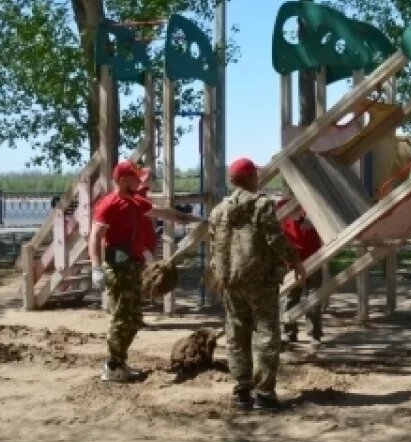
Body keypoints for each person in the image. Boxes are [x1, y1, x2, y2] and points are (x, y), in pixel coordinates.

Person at [208, 158, 307, 411]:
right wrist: (295, 261)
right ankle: (264, 393)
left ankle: (241, 391)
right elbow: (275, 238)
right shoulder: (261, 206)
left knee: (236, 335)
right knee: (266, 334)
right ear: (252, 177)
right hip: (260, 281)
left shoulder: (218, 211)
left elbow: (213, 248)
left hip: (231, 282)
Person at [89, 161, 198, 383]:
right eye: (134, 178)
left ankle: (119, 361)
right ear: (122, 180)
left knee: (134, 317)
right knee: (122, 316)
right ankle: (112, 365)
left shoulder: (137, 202)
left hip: (134, 267)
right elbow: (95, 237)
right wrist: (96, 268)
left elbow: (166, 213)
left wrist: (195, 220)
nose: (139, 181)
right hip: (119, 268)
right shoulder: (109, 204)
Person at [277, 196, 326, 345]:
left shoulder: (311, 203)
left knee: (313, 296)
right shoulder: (282, 205)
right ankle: (289, 331)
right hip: (292, 259)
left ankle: (314, 334)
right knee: (290, 296)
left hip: (313, 256)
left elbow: (315, 224)